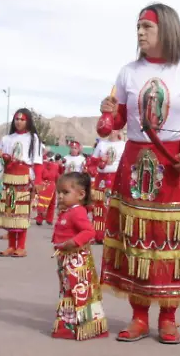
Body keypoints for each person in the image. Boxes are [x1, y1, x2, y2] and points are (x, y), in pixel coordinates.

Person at [95, 3, 180, 345]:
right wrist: (106, 117)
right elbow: (113, 124)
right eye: (138, 27)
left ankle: (168, 317)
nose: (140, 33)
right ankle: (137, 316)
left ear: (166, 30)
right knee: (136, 239)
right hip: (136, 166)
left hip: (176, 168)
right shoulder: (127, 72)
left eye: (146, 27)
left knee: (171, 241)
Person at [51, 172, 109, 341]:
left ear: (81, 195)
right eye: (59, 192)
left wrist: (74, 242)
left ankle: (80, 327)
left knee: (77, 292)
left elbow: (89, 231)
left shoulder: (77, 212)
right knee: (68, 291)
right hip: (66, 259)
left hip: (77, 262)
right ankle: (70, 326)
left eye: (65, 192)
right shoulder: (68, 210)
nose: (60, 196)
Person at [0, 108, 44, 257]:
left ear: (28, 121)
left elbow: (38, 162)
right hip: (9, 177)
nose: (19, 122)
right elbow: (0, 161)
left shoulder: (33, 139)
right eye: (17, 119)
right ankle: (11, 246)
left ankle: (21, 247)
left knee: (22, 212)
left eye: (22, 119)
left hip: (24, 177)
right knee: (9, 211)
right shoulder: (6, 139)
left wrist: (38, 180)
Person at [90, 127, 125, 238]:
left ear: (119, 130)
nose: (112, 131)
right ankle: (98, 234)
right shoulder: (101, 143)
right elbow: (92, 162)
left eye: (115, 128)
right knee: (99, 205)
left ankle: (112, 234)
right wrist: (101, 159)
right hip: (101, 178)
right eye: (110, 128)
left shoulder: (123, 145)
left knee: (112, 205)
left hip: (116, 177)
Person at [35, 154, 62, 226]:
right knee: (51, 204)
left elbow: (40, 175)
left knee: (42, 202)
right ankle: (49, 219)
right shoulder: (56, 166)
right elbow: (57, 176)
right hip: (52, 186)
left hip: (43, 185)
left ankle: (39, 219)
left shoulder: (42, 165)